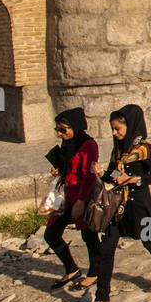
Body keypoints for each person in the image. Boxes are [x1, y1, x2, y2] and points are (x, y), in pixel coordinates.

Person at [81, 104, 151, 302]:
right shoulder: (118, 150)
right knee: (106, 249)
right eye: (112, 129)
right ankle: (102, 297)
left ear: (130, 127)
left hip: (140, 206)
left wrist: (135, 179)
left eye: (117, 129)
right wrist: (102, 173)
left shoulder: (145, 149)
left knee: (149, 241)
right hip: (118, 209)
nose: (114, 133)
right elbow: (113, 175)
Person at [41, 108, 99, 290]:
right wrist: (59, 170)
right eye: (57, 129)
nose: (59, 133)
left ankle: (95, 273)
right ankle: (72, 269)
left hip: (82, 196)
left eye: (63, 129)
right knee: (51, 233)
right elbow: (69, 166)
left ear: (75, 126)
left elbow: (89, 176)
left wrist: (82, 201)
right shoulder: (68, 144)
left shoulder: (88, 145)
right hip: (65, 197)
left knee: (89, 236)